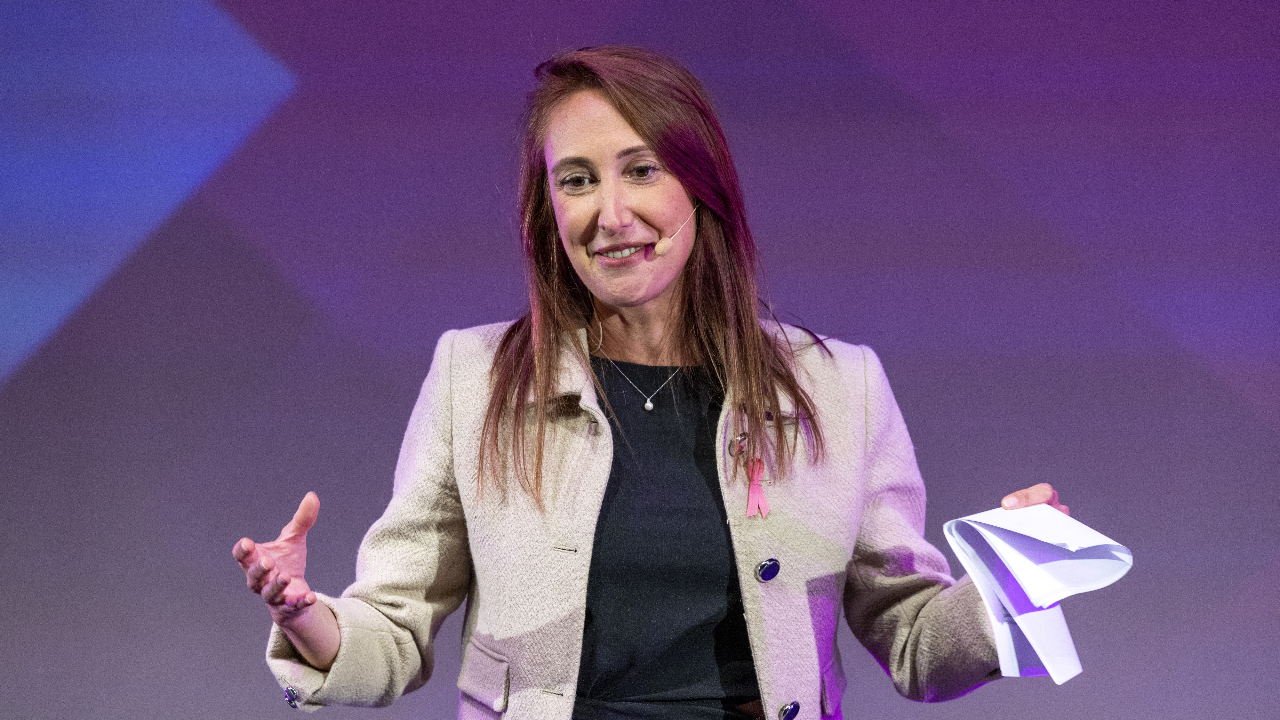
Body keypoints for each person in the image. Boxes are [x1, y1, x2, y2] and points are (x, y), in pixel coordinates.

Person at [232, 46, 1070, 720]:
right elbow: (393, 631)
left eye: (641, 170)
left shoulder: (836, 387)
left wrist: (1011, 582)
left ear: (700, 188)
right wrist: (302, 612)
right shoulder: (475, 377)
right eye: (577, 180)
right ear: (548, 210)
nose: (611, 214)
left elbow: (914, 641)